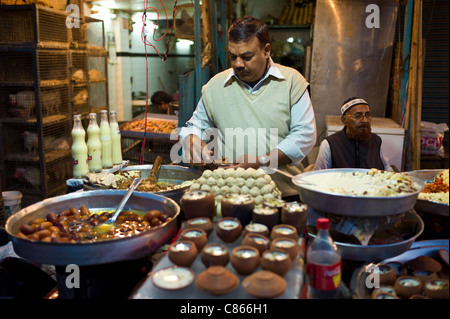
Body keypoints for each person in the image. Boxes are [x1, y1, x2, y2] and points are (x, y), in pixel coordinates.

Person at [178, 16, 316, 199]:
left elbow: (304, 135)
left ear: (266, 50)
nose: (238, 64)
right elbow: (194, 126)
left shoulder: (291, 82)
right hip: (229, 194)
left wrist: (261, 161)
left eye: (246, 56)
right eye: (232, 56)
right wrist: (192, 140)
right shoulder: (215, 86)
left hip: (282, 195)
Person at [313, 97, 392, 171]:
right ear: (344, 120)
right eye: (358, 116)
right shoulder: (330, 144)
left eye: (367, 115)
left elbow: (386, 168)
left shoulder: (376, 141)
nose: (365, 120)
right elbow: (318, 175)